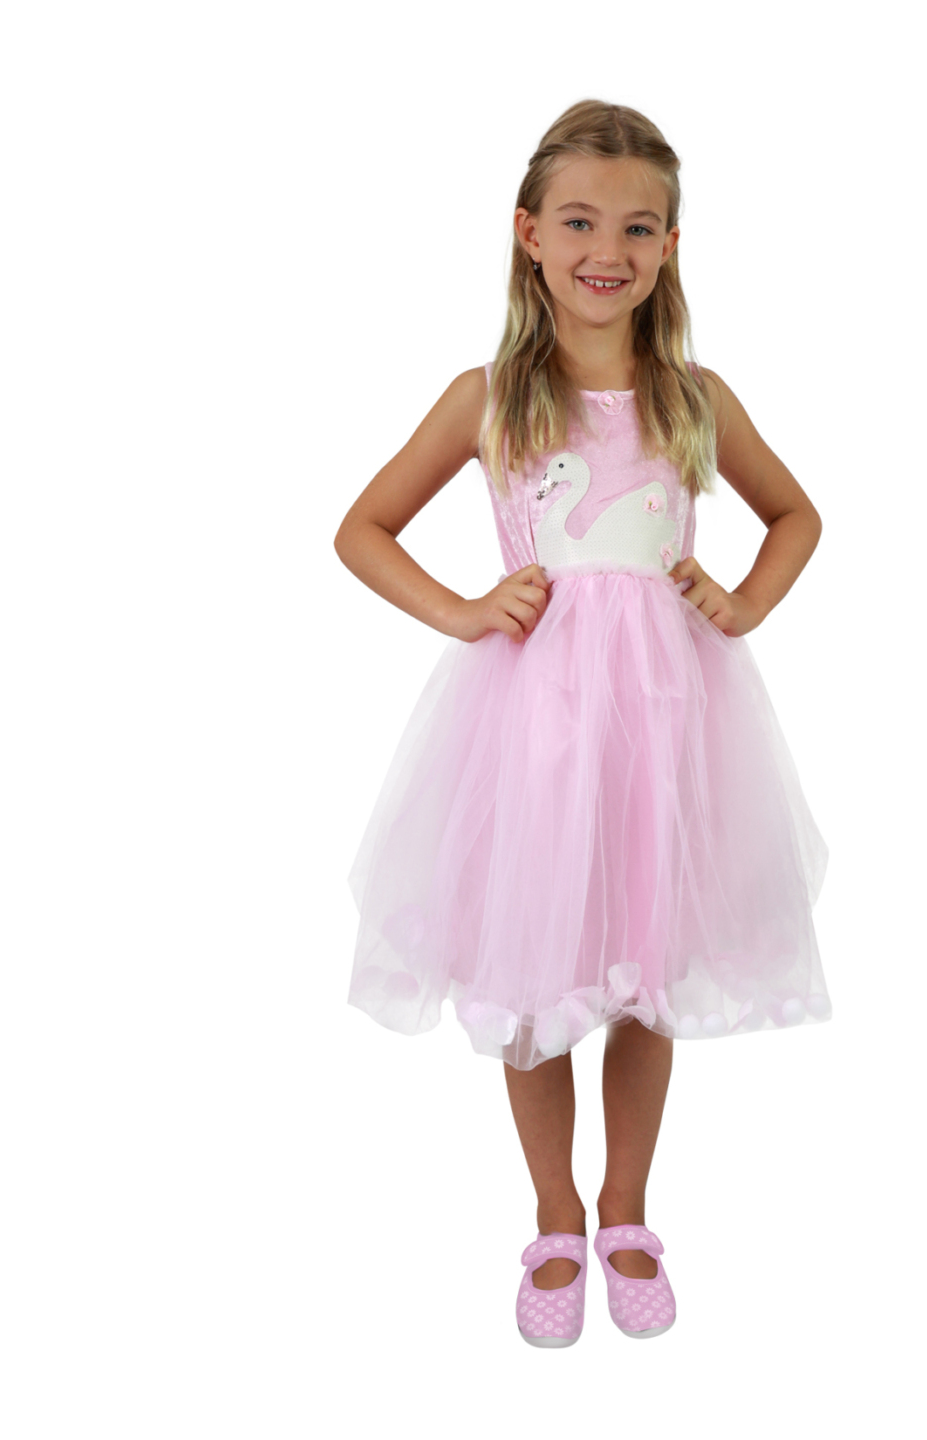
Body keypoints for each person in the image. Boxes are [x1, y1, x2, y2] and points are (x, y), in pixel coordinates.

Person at [334, 99, 831, 1347]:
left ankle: (627, 1205)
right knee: (533, 971)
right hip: (535, 731)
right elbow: (361, 528)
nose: (608, 249)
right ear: (528, 235)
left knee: (648, 974)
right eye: (579, 222)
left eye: (638, 226)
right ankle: (554, 1209)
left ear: (671, 245)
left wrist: (743, 602)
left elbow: (796, 516)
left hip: (667, 730)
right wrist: (462, 610)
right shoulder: (489, 398)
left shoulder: (692, 397)